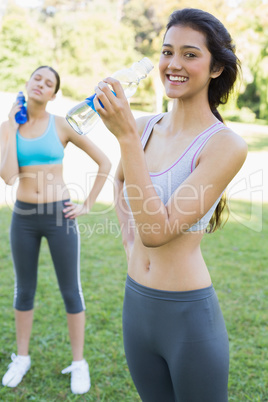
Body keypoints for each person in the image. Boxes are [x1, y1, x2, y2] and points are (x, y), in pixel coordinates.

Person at [92, 8, 248, 402]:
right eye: (167, 52)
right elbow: (123, 181)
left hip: (187, 318)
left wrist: (125, 137)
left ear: (215, 68)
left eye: (190, 54)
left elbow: (158, 231)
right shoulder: (144, 127)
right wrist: (129, 244)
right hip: (136, 305)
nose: (173, 64)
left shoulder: (224, 145)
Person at [0, 66, 111, 394]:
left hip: (59, 214)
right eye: (38, 78)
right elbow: (7, 176)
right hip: (23, 217)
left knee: (70, 290)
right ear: (28, 82)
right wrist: (9, 126)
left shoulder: (61, 125)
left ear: (53, 94)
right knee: (24, 289)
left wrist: (87, 204)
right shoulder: (9, 127)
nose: (41, 85)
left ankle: (79, 363)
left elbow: (104, 161)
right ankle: (21, 357)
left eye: (49, 83)